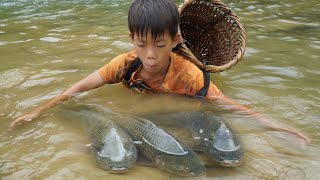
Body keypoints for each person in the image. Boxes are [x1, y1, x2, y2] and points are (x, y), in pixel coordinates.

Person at [8, 0, 310, 143]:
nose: (150, 55)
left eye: (160, 45)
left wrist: (280, 129)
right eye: (142, 44)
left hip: (181, 102)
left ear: (176, 41)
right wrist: (37, 111)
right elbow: (76, 89)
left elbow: (233, 108)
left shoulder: (190, 76)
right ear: (132, 40)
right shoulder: (125, 63)